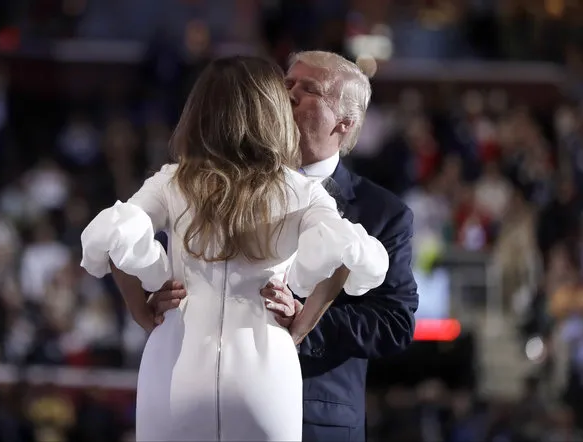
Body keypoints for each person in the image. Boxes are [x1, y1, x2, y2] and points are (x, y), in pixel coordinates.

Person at [80, 56, 390, 441]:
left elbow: (114, 235)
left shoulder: (172, 182)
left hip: (176, 365)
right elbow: (348, 252)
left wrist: (141, 311)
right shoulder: (302, 191)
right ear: (271, 112)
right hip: (265, 375)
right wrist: (301, 325)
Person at [150, 51, 419, 442]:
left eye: (308, 89)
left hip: (314, 418)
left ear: (344, 123)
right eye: (286, 83)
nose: (288, 94)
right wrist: (157, 294)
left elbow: (395, 323)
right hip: (209, 406)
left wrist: (306, 320)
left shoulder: (382, 213)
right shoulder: (215, 183)